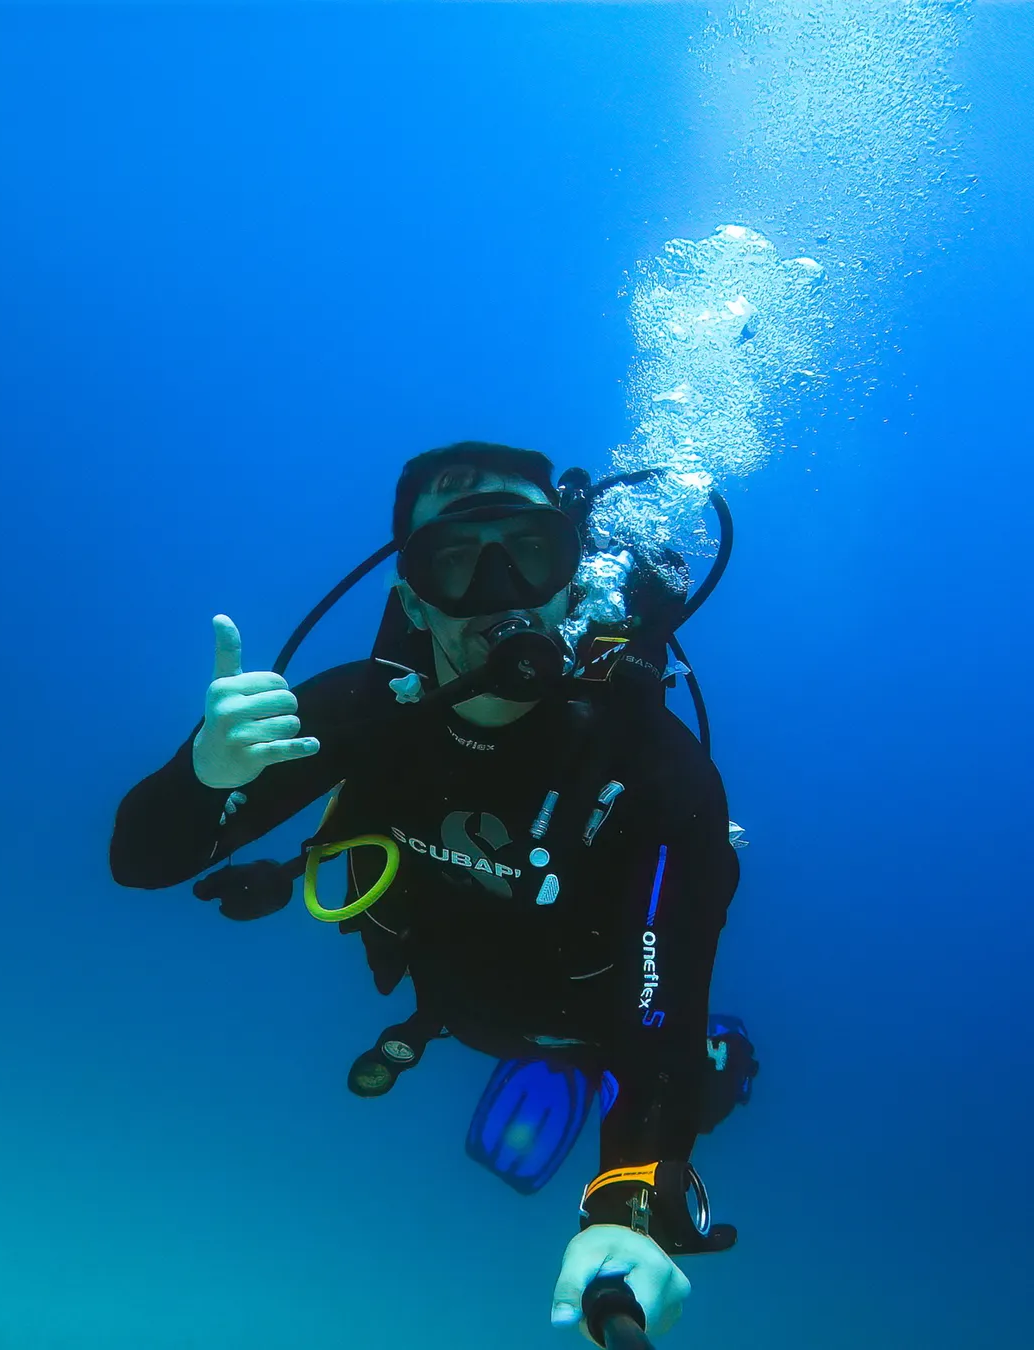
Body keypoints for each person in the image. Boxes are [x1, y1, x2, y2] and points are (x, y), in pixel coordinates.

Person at [109, 441, 748, 1343]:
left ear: (573, 575)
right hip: (447, 1004)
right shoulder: (358, 710)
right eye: (454, 558)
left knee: (699, 1074)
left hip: (608, 1029)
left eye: (528, 550)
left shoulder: (653, 771)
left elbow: (664, 1014)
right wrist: (203, 775)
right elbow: (139, 860)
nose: (499, 589)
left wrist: (624, 1212)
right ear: (410, 595)